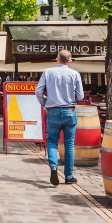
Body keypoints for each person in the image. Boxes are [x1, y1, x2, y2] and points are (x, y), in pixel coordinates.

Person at [35, 50, 84, 186]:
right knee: (69, 145)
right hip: (70, 112)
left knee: (52, 141)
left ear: (57, 59)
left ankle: (53, 167)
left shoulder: (47, 72)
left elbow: (38, 92)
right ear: (70, 61)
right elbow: (80, 96)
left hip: (53, 112)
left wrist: (45, 104)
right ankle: (68, 176)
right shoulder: (75, 74)